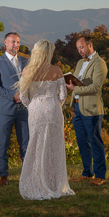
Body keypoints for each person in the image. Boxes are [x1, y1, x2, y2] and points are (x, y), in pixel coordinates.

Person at [16, 39, 75, 200]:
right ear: (49, 53)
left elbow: (22, 97)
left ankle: (36, 181)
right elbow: (62, 96)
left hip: (36, 110)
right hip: (53, 110)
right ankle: (55, 183)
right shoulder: (56, 70)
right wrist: (56, 105)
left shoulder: (27, 70)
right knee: (54, 146)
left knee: (36, 144)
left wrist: (32, 106)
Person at [65, 36, 108, 186]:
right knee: (82, 142)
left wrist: (75, 88)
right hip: (77, 107)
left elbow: (95, 87)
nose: (79, 51)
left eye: (82, 47)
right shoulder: (79, 62)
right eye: (78, 48)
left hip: (92, 109)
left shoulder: (100, 63)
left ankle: (100, 176)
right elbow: (78, 81)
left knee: (95, 141)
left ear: (90, 45)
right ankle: (87, 173)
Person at [0, 32, 29, 186]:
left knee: (26, 143)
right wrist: (13, 95)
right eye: (13, 42)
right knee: (4, 143)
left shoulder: (26, 62)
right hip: (6, 108)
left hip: (24, 109)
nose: (16, 45)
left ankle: (27, 175)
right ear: (5, 43)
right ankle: (3, 175)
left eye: (18, 42)